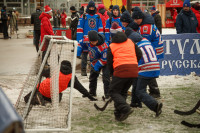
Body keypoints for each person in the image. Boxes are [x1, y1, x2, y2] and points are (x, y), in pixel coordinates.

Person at [125, 27, 163, 116]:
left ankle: (155, 106)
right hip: (155, 65)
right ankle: (135, 103)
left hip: (146, 68)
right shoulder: (145, 40)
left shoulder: (132, 44)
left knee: (140, 91)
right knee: (136, 82)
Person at [24, 60, 97, 105]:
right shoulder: (72, 78)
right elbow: (81, 89)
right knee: (59, 94)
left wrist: (46, 76)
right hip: (52, 95)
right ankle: (45, 99)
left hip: (40, 89)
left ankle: (38, 97)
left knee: (26, 99)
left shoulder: (54, 70)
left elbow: (42, 73)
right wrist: (90, 97)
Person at [107, 31, 141, 121]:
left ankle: (125, 108)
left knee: (113, 91)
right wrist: (133, 62)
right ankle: (119, 114)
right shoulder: (130, 41)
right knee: (122, 92)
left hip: (120, 69)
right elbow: (139, 54)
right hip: (133, 69)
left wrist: (112, 73)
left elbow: (110, 62)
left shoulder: (111, 46)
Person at [132, 6, 163, 98]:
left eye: (137, 19)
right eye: (134, 19)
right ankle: (152, 90)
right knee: (149, 69)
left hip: (153, 49)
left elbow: (146, 42)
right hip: (153, 49)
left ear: (141, 18)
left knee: (148, 68)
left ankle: (154, 91)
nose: (136, 21)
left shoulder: (146, 27)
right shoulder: (145, 23)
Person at [78, 30, 110, 98]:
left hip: (106, 61)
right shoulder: (87, 40)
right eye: (92, 42)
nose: (93, 43)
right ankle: (92, 92)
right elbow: (80, 43)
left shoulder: (104, 47)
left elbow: (104, 59)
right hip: (94, 61)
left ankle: (107, 94)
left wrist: (96, 66)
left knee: (106, 78)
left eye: (95, 41)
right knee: (92, 77)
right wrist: (78, 51)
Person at [76, 0, 103, 76]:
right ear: (88, 7)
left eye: (92, 7)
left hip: (95, 40)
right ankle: (83, 70)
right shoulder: (83, 16)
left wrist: (100, 39)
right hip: (85, 40)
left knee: (95, 55)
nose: (91, 9)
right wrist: (80, 40)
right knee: (84, 55)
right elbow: (80, 29)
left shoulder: (97, 17)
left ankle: (94, 69)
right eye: (90, 7)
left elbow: (100, 28)